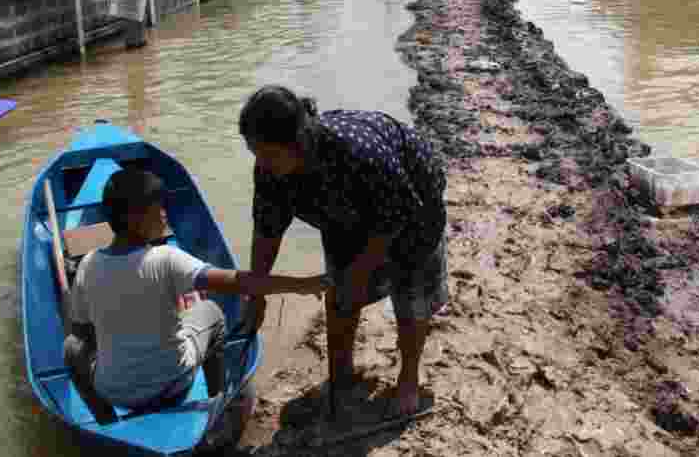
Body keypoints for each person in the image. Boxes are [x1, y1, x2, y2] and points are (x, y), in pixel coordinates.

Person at [241, 86, 448, 417]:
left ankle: (408, 379)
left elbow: (393, 219)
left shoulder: (357, 152)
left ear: (299, 141)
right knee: (339, 293)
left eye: (268, 154)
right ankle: (341, 377)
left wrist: (362, 270)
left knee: (410, 295)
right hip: (343, 216)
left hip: (411, 209)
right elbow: (267, 231)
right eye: (255, 154)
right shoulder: (270, 169)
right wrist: (256, 294)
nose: (261, 164)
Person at [65, 169, 326, 416]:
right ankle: (217, 401)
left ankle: (105, 418)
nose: (165, 216)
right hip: (173, 385)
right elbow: (238, 282)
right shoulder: (165, 258)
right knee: (211, 311)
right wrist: (302, 285)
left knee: (71, 348)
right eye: (159, 210)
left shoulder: (88, 264)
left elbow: (82, 333)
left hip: (116, 393)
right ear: (135, 219)